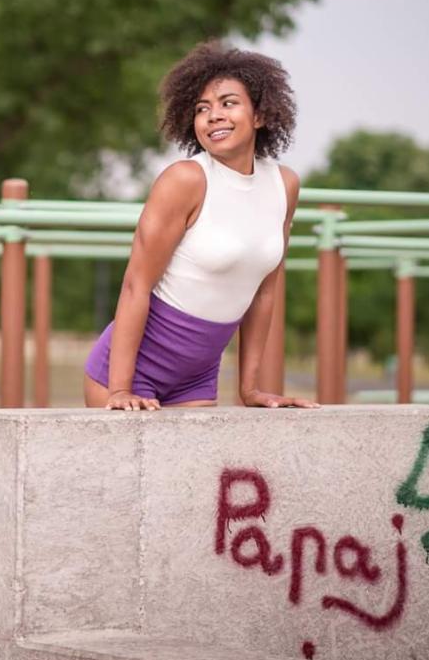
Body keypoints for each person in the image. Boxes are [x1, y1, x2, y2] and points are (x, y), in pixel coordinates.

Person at [84, 42, 319, 411]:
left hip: (197, 378)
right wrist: (119, 390)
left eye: (228, 103)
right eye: (202, 109)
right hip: (131, 373)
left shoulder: (284, 185)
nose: (213, 116)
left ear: (259, 115)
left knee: (190, 471)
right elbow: (136, 284)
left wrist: (250, 389)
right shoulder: (185, 180)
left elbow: (264, 292)